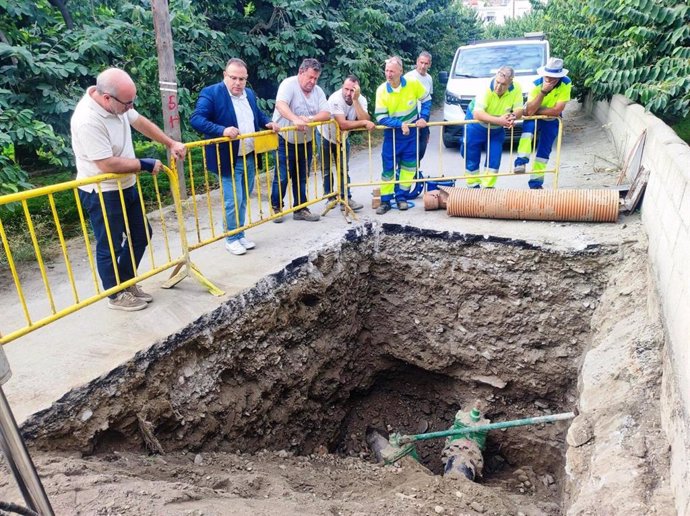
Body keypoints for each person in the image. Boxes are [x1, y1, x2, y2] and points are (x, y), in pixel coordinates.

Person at [71, 67, 186, 311]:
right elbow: (106, 164)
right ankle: (115, 295)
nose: (130, 107)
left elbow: (140, 122)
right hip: (102, 191)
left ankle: (126, 282)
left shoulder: (119, 105)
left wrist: (170, 143)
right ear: (106, 98)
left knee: (141, 234)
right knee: (110, 245)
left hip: (126, 185)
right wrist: (144, 164)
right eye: (127, 102)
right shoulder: (87, 120)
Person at [190, 58, 280, 256]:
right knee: (233, 199)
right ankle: (230, 238)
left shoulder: (248, 94)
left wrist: (268, 123)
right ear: (225, 76)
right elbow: (196, 119)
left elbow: (257, 115)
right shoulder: (212, 93)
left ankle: (239, 234)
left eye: (242, 79)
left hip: (248, 155)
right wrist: (221, 130)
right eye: (233, 78)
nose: (238, 83)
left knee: (243, 198)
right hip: (227, 157)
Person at [271, 58, 331, 222]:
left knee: (302, 176)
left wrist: (310, 119)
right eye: (310, 77)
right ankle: (276, 207)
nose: (312, 82)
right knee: (282, 176)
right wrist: (295, 119)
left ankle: (300, 208)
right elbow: (280, 105)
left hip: (305, 140)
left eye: (315, 78)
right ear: (301, 72)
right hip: (284, 138)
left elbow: (326, 113)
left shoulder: (317, 91)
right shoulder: (289, 84)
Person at [374, 56, 431, 214]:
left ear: (401, 71)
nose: (388, 74)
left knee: (409, 166)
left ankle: (401, 197)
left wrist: (423, 118)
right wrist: (399, 125)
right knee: (388, 169)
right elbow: (380, 117)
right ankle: (385, 201)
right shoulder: (382, 90)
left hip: (411, 134)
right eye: (386, 71)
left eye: (392, 71)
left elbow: (426, 99)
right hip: (392, 134)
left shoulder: (412, 84)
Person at [319, 74, 376, 212]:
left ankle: (346, 198)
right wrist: (362, 122)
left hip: (343, 138)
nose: (348, 93)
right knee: (326, 169)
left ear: (357, 90)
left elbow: (365, 117)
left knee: (344, 168)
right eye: (346, 89)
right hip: (326, 135)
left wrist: (356, 101)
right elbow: (343, 124)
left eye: (352, 90)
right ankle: (330, 198)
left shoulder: (360, 99)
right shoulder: (335, 98)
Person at [513, 57, 571, 189]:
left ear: (559, 77)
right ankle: (520, 162)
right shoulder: (536, 84)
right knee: (527, 134)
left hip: (551, 120)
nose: (549, 80)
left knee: (544, 151)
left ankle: (536, 184)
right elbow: (529, 111)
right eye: (547, 77)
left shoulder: (566, 83)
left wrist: (537, 110)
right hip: (535, 117)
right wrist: (543, 92)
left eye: (553, 77)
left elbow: (557, 110)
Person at [462, 66, 523, 188]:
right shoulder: (485, 88)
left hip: (496, 128)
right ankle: (472, 186)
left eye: (503, 85)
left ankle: (488, 188)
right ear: (495, 77)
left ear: (511, 82)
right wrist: (500, 121)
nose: (498, 87)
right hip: (476, 124)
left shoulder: (516, 88)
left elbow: (519, 109)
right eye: (497, 82)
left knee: (495, 157)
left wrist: (512, 116)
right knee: (471, 154)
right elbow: (477, 114)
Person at [404, 51, 433, 161]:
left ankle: (416, 173)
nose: (423, 66)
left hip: (423, 118)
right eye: (421, 62)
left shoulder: (429, 79)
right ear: (417, 62)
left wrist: (427, 127)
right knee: (410, 150)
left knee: (422, 148)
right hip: (410, 118)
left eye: (426, 63)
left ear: (429, 64)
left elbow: (428, 99)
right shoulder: (408, 77)